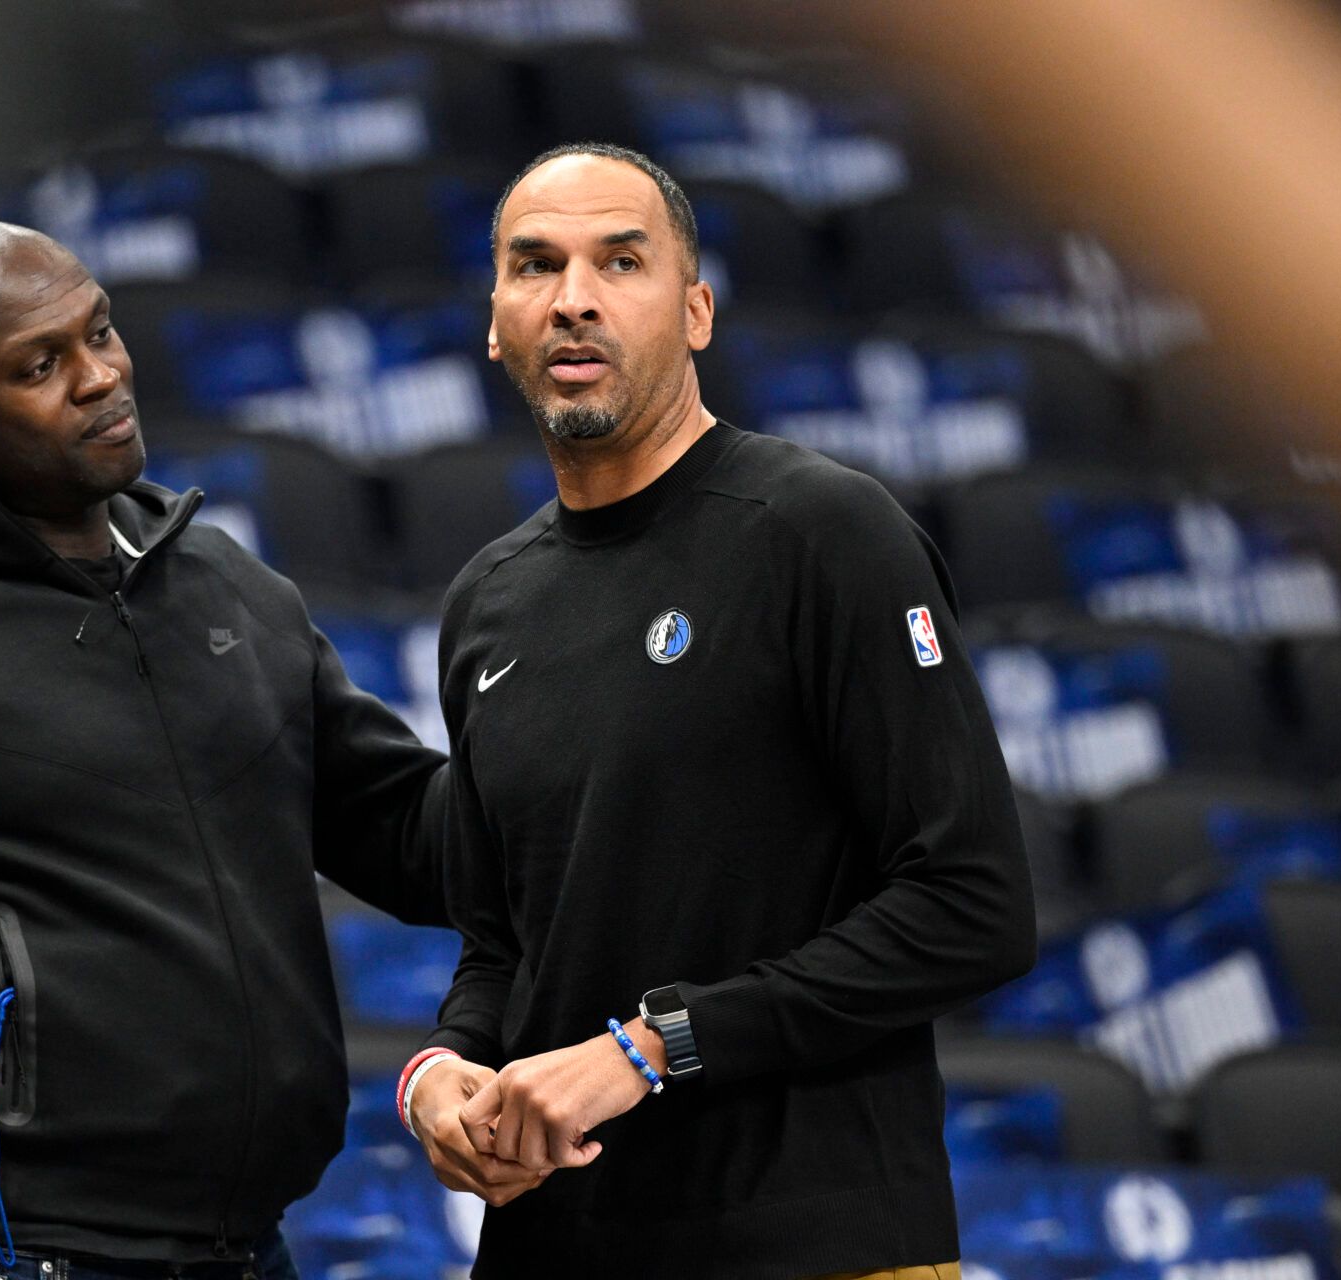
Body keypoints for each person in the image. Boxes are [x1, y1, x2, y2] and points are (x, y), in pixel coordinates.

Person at [0, 220, 450, 1280]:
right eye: (40, 364)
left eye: (99, 331)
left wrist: (613, 764)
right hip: (9, 1250)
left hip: (250, 1247)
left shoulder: (221, 580)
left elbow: (408, 831)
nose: (101, 375)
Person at [400, 143, 1037, 1279]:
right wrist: (448, 1068)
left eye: (622, 262)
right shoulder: (485, 602)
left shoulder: (823, 532)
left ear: (696, 311)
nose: (575, 298)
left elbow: (972, 902)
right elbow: (503, 943)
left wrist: (654, 1047)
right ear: (496, 322)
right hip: (560, 1247)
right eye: (535, 266)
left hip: (815, 1242)